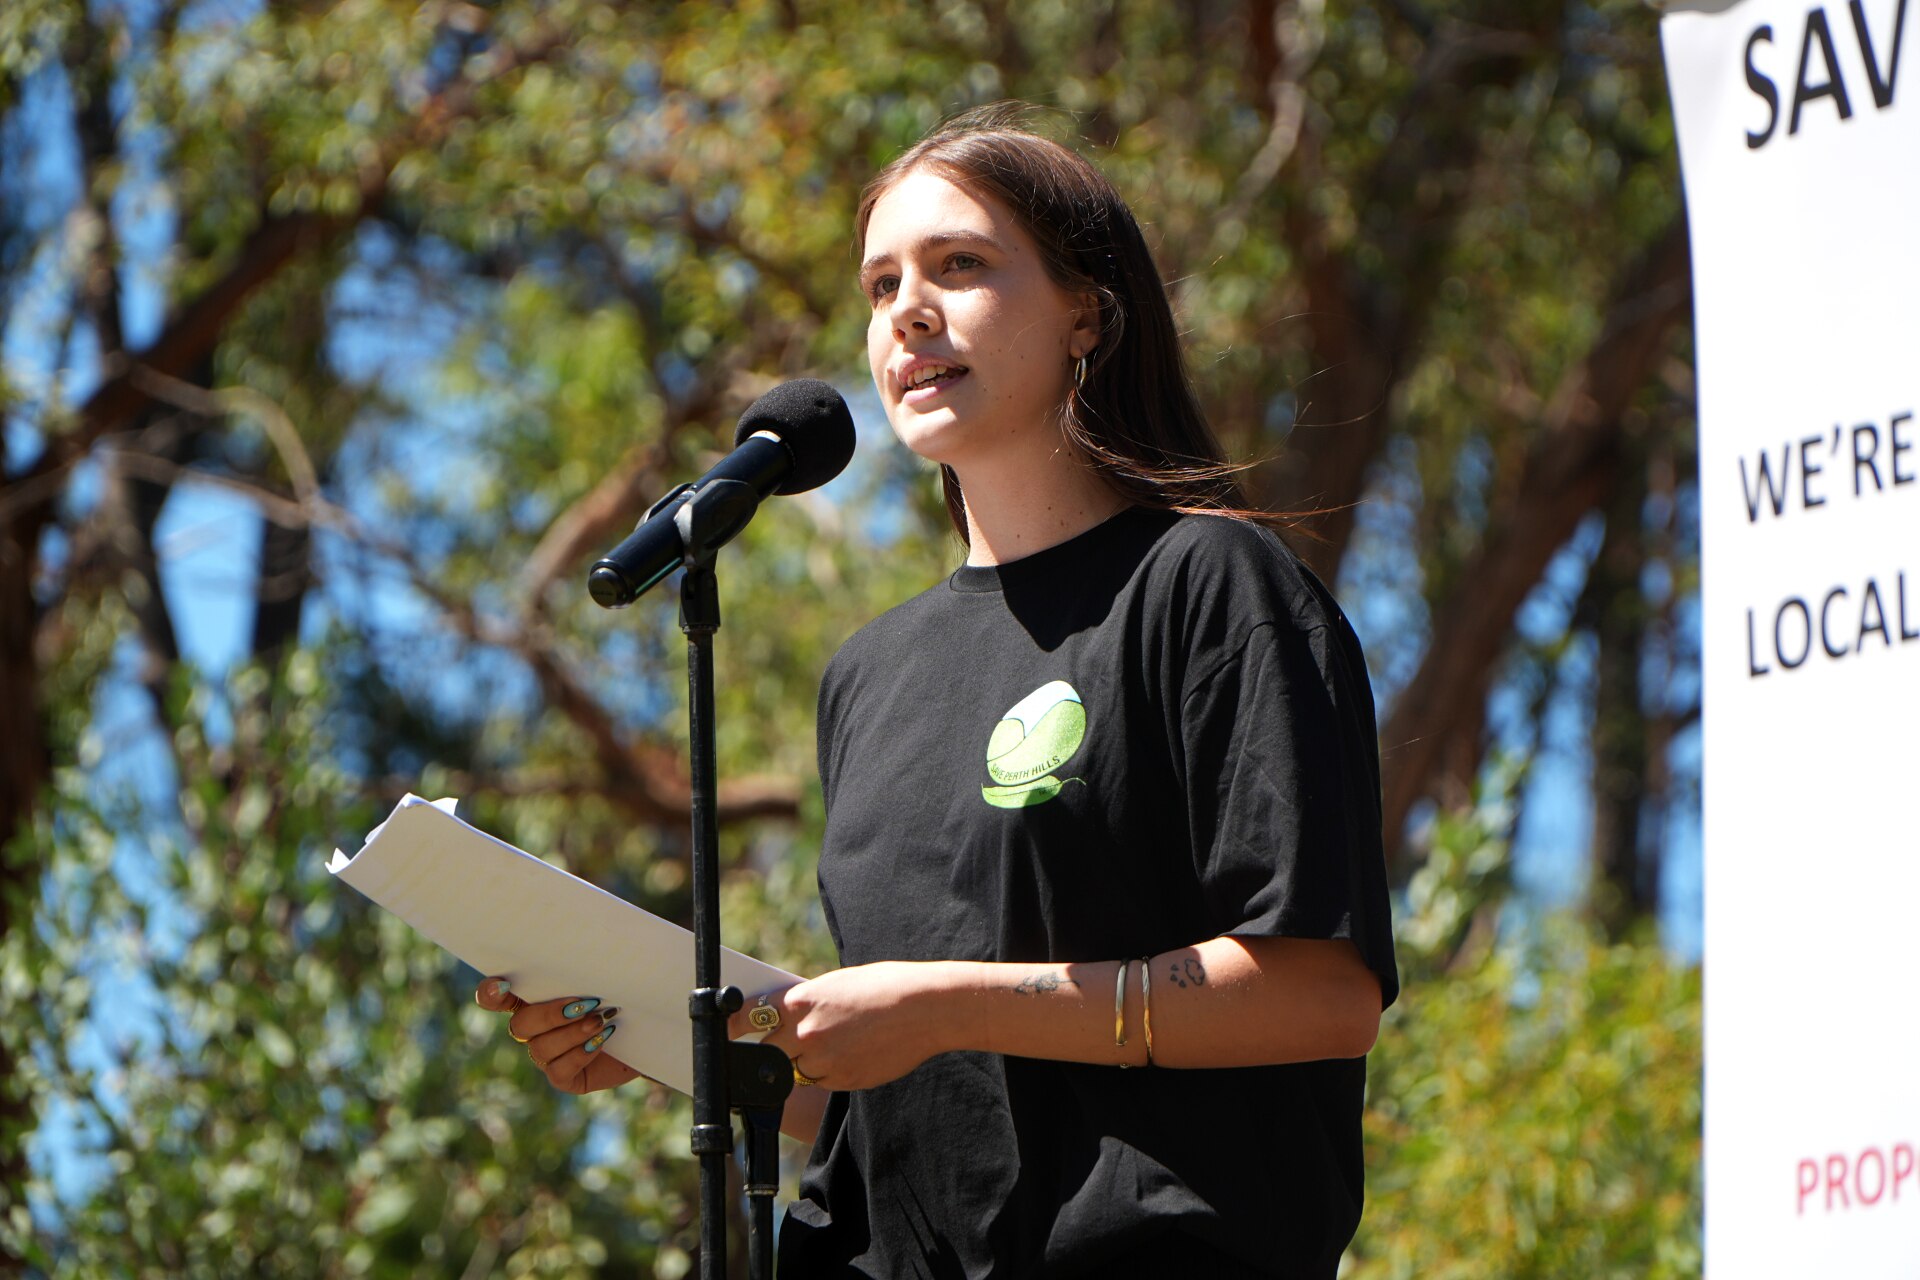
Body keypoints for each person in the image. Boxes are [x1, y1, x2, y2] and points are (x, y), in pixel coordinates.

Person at [477, 105, 1398, 1279]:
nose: (908, 310)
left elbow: (1320, 992)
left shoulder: (1211, 585)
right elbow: (920, 1102)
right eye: (879, 285)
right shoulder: (870, 674)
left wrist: (951, 1001)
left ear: (1087, 313)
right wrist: (688, 1048)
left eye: (959, 265)